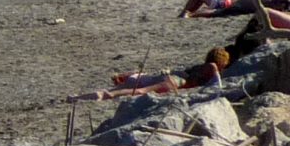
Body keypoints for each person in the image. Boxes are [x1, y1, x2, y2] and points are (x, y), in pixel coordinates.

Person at [83, 47, 230, 100]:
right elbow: (217, 83)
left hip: (169, 75)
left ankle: (78, 98)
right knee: (140, 91)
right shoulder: (211, 67)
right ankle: (109, 95)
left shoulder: (200, 67)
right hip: (175, 81)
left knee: (126, 87)